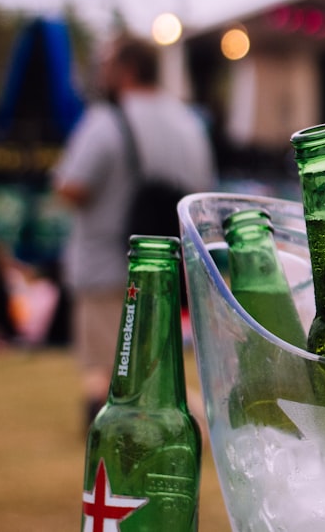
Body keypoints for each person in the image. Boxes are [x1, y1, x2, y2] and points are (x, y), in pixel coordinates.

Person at [53, 34, 216, 427]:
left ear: (125, 70)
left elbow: (72, 185)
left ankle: (199, 424)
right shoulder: (187, 120)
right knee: (153, 363)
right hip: (167, 267)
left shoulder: (107, 120)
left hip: (107, 265)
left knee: (117, 369)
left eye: (106, 65)